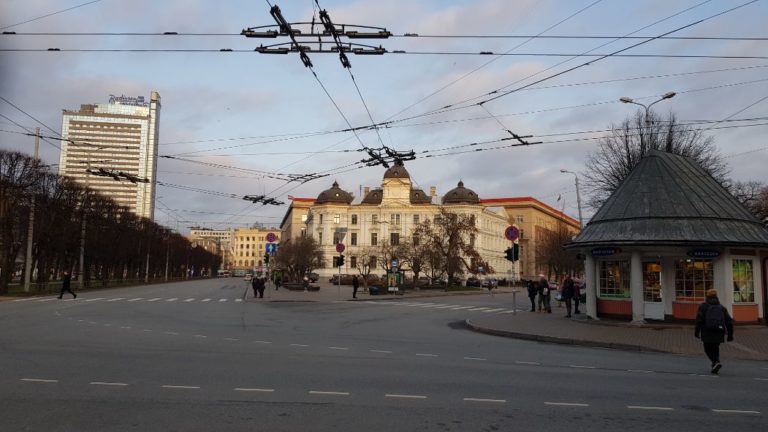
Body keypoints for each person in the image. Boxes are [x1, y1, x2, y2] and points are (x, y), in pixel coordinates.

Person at [694, 289, 734, 374]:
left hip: (707, 330)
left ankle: (715, 362)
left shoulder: (703, 306)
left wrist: (697, 331)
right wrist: (730, 334)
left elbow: (699, 320)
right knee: (715, 347)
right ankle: (715, 363)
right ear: (716, 296)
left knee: (707, 348)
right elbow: (729, 321)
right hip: (719, 331)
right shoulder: (722, 308)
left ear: (707, 296)